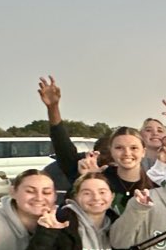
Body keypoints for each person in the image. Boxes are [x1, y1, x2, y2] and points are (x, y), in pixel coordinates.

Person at [40, 76, 153, 214]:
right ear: (111, 151)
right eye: (119, 148)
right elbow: (64, 149)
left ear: (144, 151)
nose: (127, 153)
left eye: (134, 148)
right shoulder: (99, 178)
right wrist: (53, 108)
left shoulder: (155, 189)